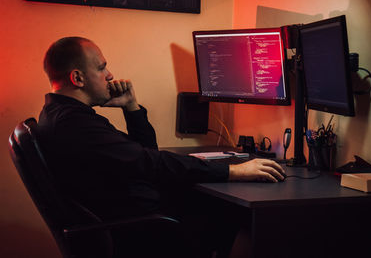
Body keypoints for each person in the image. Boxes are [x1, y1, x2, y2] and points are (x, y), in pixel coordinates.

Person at [37, 36, 285, 257]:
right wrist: (234, 171)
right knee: (239, 214)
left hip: (135, 220)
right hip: (143, 230)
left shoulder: (62, 115)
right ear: (77, 77)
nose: (110, 75)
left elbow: (145, 155)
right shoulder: (74, 124)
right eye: (102, 68)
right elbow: (149, 162)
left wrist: (131, 107)